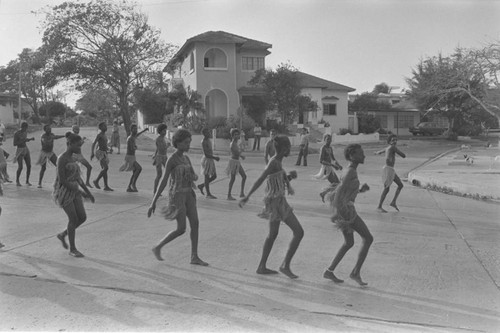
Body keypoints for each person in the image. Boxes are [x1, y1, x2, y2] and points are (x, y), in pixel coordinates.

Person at [240, 135, 303, 279]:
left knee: (272, 235)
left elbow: (277, 179)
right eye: (289, 147)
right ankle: (285, 265)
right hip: (277, 203)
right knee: (299, 232)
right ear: (284, 148)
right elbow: (261, 178)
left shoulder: (277, 162)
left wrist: (289, 177)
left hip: (278, 201)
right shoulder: (274, 162)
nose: (290, 149)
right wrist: (247, 196)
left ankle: (262, 266)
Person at [147, 128, 208, 266]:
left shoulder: (186, 158)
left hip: (189, 195)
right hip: (178, 196)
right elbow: (163, 180)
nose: (188, 145)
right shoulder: (172, 160)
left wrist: (193, 176)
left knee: (195, 224)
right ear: (178, 143)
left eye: (189, 142)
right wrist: (153, 201)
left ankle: (194, 256)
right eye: (186, 142)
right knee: (181, 229)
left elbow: (194, 175)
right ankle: (158, 247)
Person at [324, 144, 372, 286]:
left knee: (349, 242)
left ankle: (329, 271)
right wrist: (337, 212)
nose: (363, 155)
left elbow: (345, 191)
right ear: (352, 156)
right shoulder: (351, 171)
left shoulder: (348, 170)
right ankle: (355, 273)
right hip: (346, 211)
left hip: (345, 209)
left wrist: (360, 190)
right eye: (360, 153)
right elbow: (339, 191)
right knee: (368, 238)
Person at [54, 132, 95, 258]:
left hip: (75, 190)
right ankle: (73, 249)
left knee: (82, 217)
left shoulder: (74, 158)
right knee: (73, 219)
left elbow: (78, 178)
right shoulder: (62, 158)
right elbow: (62, 180)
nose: (79, 148)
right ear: (69, 144)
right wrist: (79, 192)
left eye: (80, 146)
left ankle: (63, 234)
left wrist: (88, 192)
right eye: (77, 146)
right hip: (64, 191)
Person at [375, 134, 406, 212]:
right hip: (388, 169)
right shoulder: (392, 147)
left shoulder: (388, 147)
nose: (395, 141)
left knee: (400, 185)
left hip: (390, 169)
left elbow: (381, 151)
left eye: (396, 140)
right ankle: (379, 206)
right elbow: (403, 155)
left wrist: (377, 152)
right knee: (386, 188)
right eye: (393, 140)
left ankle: (393, 202)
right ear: (389, 141)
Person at [313, 134, 343, 202]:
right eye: (327, 139)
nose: (329, 141)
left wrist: (338, 165)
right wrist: (332, 165)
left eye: (330, 139)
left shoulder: (330, 148)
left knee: (337, 183)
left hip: (330, 167)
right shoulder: (323, 148)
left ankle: (324, 193)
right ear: (324, 140)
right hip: (325, 168)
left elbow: (333, 158)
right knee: (336, 184)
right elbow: (321, 161)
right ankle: (330, 197)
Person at [119, 124, 148, 192]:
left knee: (135, 171)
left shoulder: (133, 137)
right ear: (131, 130)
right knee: (139, 168)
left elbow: (138, 134)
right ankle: (133, 184)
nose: (136, 130)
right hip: (129, 157)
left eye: (136, 129)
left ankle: (129, 187)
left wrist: (144, 130)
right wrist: (135, 147)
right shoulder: (130, 138)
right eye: (134, 129)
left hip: (132, 157)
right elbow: (132, 148)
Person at [197, 127, 219, 199]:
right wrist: (215, 157)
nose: (209, 133)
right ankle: (208, 194)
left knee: (214, 176)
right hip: (207, 160)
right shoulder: (203, 141)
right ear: (204, 134)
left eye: (209, 132)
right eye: (207, 132)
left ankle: (202, 185)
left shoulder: (209, 140)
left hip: (211, 159)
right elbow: (206, 154)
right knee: (206, 177)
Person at [90, 122, 113, 191]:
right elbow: (94, 144)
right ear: (101, 128)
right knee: (105, 168)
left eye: (106, 126)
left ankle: (106, 186)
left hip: (104, 153)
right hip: (99, 153)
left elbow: (105, 146)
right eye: (104, 126)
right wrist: (92, 153)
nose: (106, 127)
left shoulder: (105, 135)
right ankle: (96, 181)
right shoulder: (99, 135)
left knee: (104, 169)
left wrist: (109, 150)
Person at [226, 128, 246, 200]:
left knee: (244, 176)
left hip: (236, 161)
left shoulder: (236, 143)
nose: (237, 136)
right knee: (233, 178)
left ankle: (241, 193)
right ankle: (229, 195)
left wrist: (241, 152)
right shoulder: (232, 144)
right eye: (235, 135)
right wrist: (241, 152)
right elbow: (236, 153)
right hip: (234, 162)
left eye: (237, 134)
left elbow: (238, 152)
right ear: (232, 136)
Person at [13, 122, 35, 186]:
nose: (25, 129)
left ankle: (27, 180)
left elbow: (25, 139)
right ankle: (17, 180)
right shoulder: (16, 133)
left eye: (26, 128)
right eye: (25, 128)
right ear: (22, 127)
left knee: (29, 165)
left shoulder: (25, 132)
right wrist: (23, 141)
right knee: (20, 167)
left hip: (25, 149)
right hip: (19, 150)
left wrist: (30, 139)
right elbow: (14, 144)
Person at [152, 124, 170, 194]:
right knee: (159, 174)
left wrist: (154, 154)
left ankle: (160, 189)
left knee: (169, 172)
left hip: (164, 157)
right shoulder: (159, 139)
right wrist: (167, 146)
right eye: (164, 131)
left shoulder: (163, 139)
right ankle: (155, 190)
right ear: (160, 131)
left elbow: (157, 149)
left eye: (165, 130)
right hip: (160, 157)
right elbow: (161, 148)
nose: (165, 132)